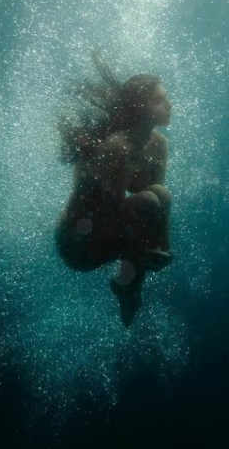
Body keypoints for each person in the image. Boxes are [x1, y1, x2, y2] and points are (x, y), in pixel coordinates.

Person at [55, 53, 174, 327]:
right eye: (158, 100)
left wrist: (161, 248)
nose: (170, 105)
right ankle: (129, 284)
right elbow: (113, 210)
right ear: (139, 108)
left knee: (159, 196)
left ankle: (132, 281)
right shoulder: (117, 148)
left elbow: (159, 204)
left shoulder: (158, 145)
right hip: (77, 244)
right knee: (147, 202)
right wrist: (144, 251)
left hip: (107, 233)